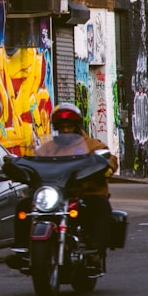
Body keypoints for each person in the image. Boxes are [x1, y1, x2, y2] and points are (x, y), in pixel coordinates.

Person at [51, 102, 118, 273]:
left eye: (69, 126)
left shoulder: (91, 145)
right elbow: (34, 159)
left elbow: (109, 157)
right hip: (57, 195)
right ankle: (23, 249)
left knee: (100, 206)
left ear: (76, 126)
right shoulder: (50, 148)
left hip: (85, 193)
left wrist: (107, 167)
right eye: (62, 127)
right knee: (25, 206)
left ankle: (95, 251)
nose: (66, 130)